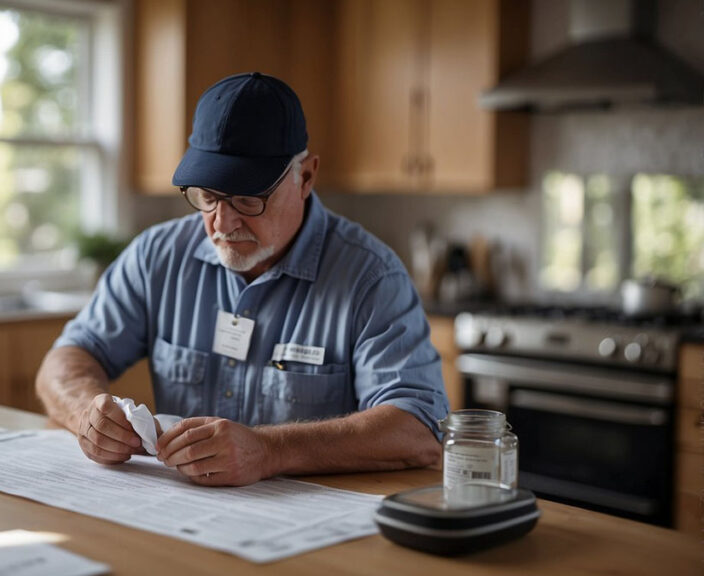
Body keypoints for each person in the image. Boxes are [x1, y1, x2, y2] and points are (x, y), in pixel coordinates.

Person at [36, 72, 449, 486]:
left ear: (305, 177)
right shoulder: (157, 256)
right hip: (177, 515)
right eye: (208, 196)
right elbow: (68, 358)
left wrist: (274, 450)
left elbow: (418, 428)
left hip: (311, 528)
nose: (222, 222)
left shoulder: (371, 277)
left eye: (249, 198)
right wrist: (85, 413)